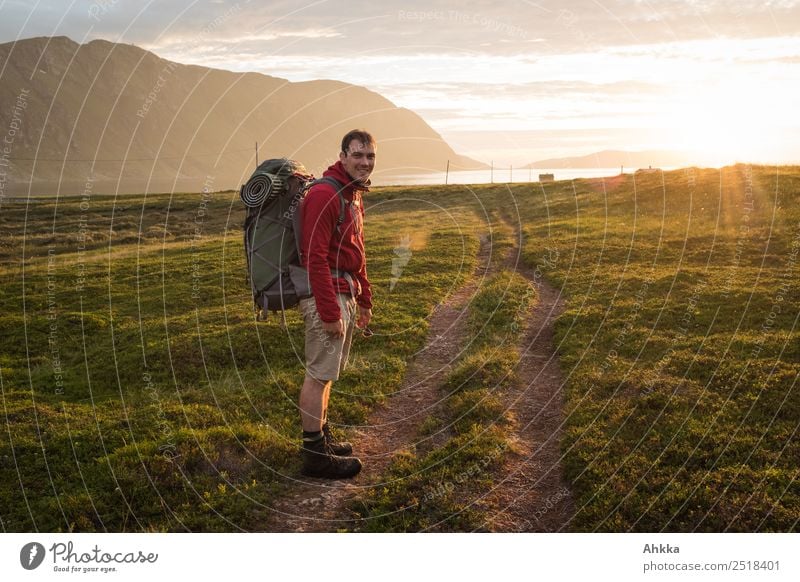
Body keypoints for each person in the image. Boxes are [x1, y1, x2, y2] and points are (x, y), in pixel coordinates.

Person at [297, 129, 375, 479]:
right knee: (317, 375)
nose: (365, 162)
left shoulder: (352, 194)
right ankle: (314, 454)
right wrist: (329, 312)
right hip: (325, 294)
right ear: (342, 156)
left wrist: (365, 299)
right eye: (358, 155)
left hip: (345, 289)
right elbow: (314, 257)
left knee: (326, 374)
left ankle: (321, 437)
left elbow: (357, 252)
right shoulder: (326, 194)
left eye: (370, 156)